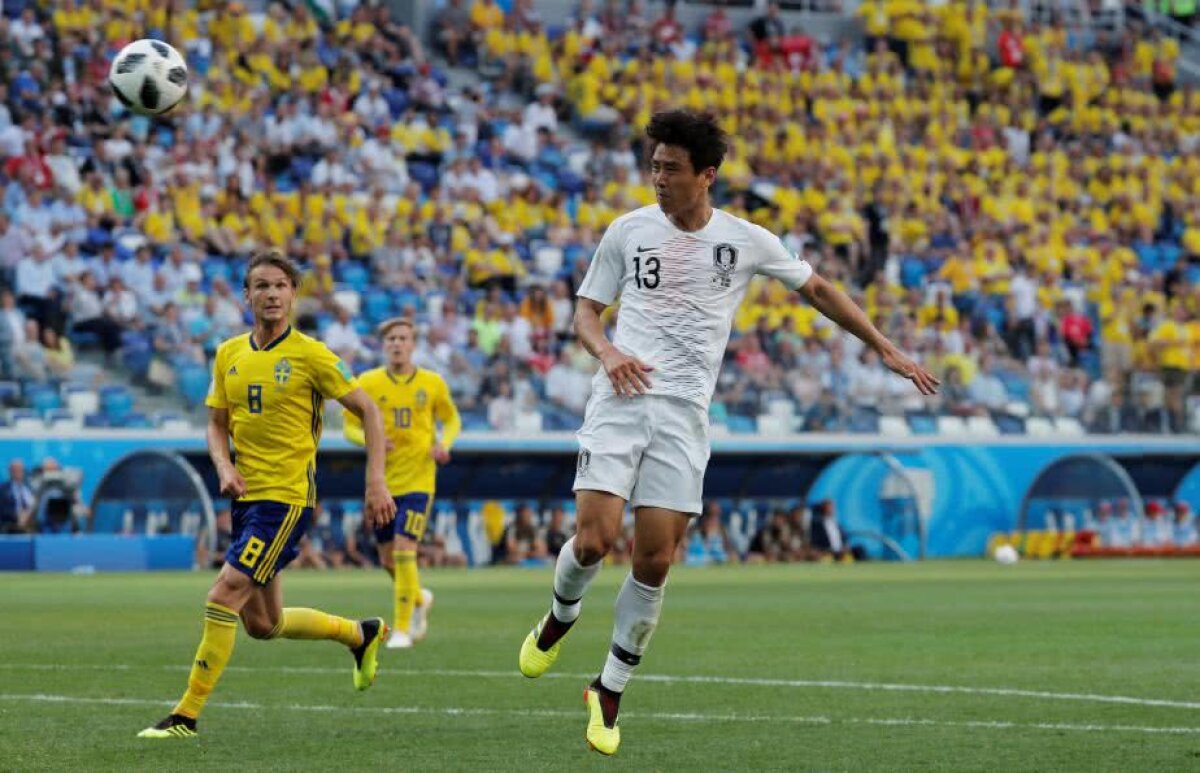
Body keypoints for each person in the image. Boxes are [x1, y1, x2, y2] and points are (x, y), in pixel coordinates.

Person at [516, 110, 938, 755]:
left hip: (686, 416)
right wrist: (606, 353)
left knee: (654, 560)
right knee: (596, 539)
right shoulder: (628, 231)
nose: (658, 178)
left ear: (705, 176)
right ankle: (560, 615)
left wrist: (882, 345)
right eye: (654, 166)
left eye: (671, 169)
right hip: (622, 399)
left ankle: (609, 688)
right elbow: (585, 313)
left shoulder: (745, 240)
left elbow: (818, 288)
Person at [138, 249, 397, 740]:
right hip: (245, 498)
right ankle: (360, 634)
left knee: (223, 594)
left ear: (293, 294)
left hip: (286, 498)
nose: (272, 294)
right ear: (247, 295)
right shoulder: (228, 353)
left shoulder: (312, 355)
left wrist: (376, 481)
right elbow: (216, 424)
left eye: (280, 285)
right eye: (262, 285)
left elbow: (370, 411)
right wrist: (222, 464)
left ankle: (185, 716)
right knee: (263, 623)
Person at [343, 317, 461, 649]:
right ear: (384, 345)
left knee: (405, 551)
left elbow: (451, 419)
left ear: (412, 344)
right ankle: (419, 597)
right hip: (382, 482)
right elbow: (349, 426)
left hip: (419, 481)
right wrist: (369, 439)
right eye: (391, 338)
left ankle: (403, 629)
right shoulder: (368, 381)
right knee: (386, 559)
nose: (397, 343)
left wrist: (444, 444)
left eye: (403, 338)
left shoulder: (432, 383)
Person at [0, 459, 35, 534]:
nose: (18, 472)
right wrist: (18, 516)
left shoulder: (30, 488)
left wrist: (27, 516)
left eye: (20, 470)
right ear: (10, 472)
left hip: (30, 523)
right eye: (15, 470)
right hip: (11, 525)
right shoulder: (3, 489)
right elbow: (2, 509)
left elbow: (35, 504)